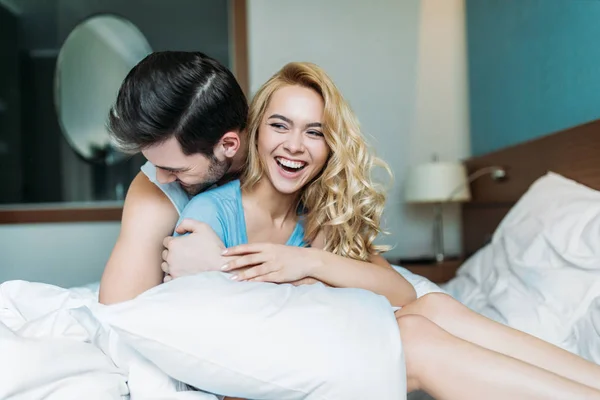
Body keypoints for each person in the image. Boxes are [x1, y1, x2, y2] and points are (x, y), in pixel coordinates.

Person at [164, 61, 600, 399]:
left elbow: (401, 292)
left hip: (316, 354)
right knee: (414, 337)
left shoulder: (314, 215)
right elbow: (208, 342)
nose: (295, 145)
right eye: (280, 125)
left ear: (330, 146)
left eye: (314, 132)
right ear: (257, 131)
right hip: (262, 378)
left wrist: (306, 260)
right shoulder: (210, 215)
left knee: (435, 310)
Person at [99, 51, 249, 305]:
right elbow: (117, 311)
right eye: (152, 163)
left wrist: (225, 269)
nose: (161, 178)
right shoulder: (153, 191)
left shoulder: (286, 162)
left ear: (228, 144)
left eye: (177, 169)